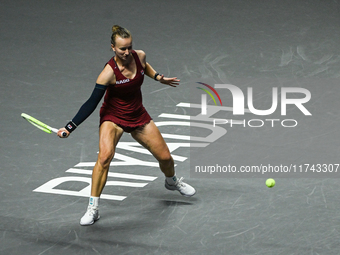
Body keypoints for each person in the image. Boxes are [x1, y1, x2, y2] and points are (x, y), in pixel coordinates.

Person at [57, 25, 196, 226]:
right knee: (104, 158)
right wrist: (70, 127)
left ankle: (171, 181)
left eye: (129, 47)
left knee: (166, 157)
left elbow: (144, 66)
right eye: (122, 49)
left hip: (138, 114)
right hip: (113, 117)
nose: (127, 52)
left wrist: (158, 77)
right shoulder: (108, 73)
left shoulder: (139, 56)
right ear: (112, 47)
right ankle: (93, 208)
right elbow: (91, 103)